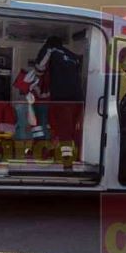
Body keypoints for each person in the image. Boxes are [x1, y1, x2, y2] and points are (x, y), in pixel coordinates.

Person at [34, 36, 83, 168]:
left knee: (64, 132)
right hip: (78, 99)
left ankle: (67, 162)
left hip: (62, 99)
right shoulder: (73, 56)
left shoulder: (50, 49)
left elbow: (39, 68)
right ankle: (70, 155)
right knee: (69, 131)